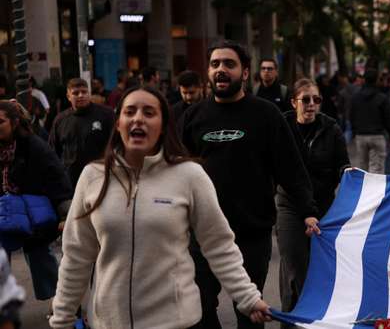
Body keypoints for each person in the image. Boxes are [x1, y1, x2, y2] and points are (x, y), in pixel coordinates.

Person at [50, 86, 273, 329]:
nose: (138, 118)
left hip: (177, 322)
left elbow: (219, 245)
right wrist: (62, 318)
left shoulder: (190, 175)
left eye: (149, 113)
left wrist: (248, 297)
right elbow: (76, 255)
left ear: (164, 125)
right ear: (118, 123)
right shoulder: (93, 176)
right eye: (130, 111)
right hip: (109, 322)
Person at [180, 40, 319, 329]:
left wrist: (308, 209)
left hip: (251, 232)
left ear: (245, 73)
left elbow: (290, 168)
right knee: (200, 310)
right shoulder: (193, 117)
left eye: (229, 64)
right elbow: (174, 172)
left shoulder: (266, 115)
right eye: (215, 64)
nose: (220, 70)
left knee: (250, 315)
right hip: (201, 233)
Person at [279, 79, 349, 323]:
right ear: (293, 102)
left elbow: (343, 164)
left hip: (323, 207)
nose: (311, 105)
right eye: (305, 99)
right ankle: (294, 320)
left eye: (316, 100)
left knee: (317, 269)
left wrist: (350, 175)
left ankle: (315, 320)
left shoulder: (331, 129)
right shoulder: (282, 127)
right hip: (289, 206)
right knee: (296, 267)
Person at [0, 101, 73, 304]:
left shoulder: (34, 146)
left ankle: (65, 305)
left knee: (41, 260)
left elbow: (56, 178)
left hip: (33, 216)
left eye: (0, 122)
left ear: (14, 123)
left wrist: (65, 215)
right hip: (2, 213)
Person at [49, 78, 115, 187]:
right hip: (71, 182)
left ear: (89, 93)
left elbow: (117, 145)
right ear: (68, 97)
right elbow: (53, 152)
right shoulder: (60, 120)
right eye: (76, 93)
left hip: (101, 178)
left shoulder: (106, 115)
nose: (81, 95)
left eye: (84, 92)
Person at [349, 68, 390, 173]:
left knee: (362, 166)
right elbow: (387, 118)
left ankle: (363, 188)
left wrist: (355, 131)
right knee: (377, 169)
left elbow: (351, 116)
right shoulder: (382, 98)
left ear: (364, 80)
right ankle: (375, 189)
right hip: (377, 135)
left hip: (361, 135)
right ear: (377, 80)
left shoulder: (355, 97)